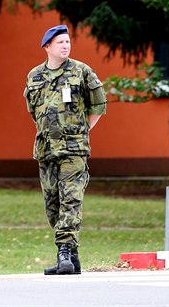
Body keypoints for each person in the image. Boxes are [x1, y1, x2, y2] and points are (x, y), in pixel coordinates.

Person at [23, 24, 107, 275]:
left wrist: (81, 131)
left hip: (74, 150)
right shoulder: (34, 76)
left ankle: (64, 251)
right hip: (46, 150)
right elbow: (34, 111)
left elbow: (99, 106)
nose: (65, 45)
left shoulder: (82, 72)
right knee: (53, 205)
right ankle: (73, 257)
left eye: (67, 41)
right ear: (47, 47)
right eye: (60, 42)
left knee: (71, 199)